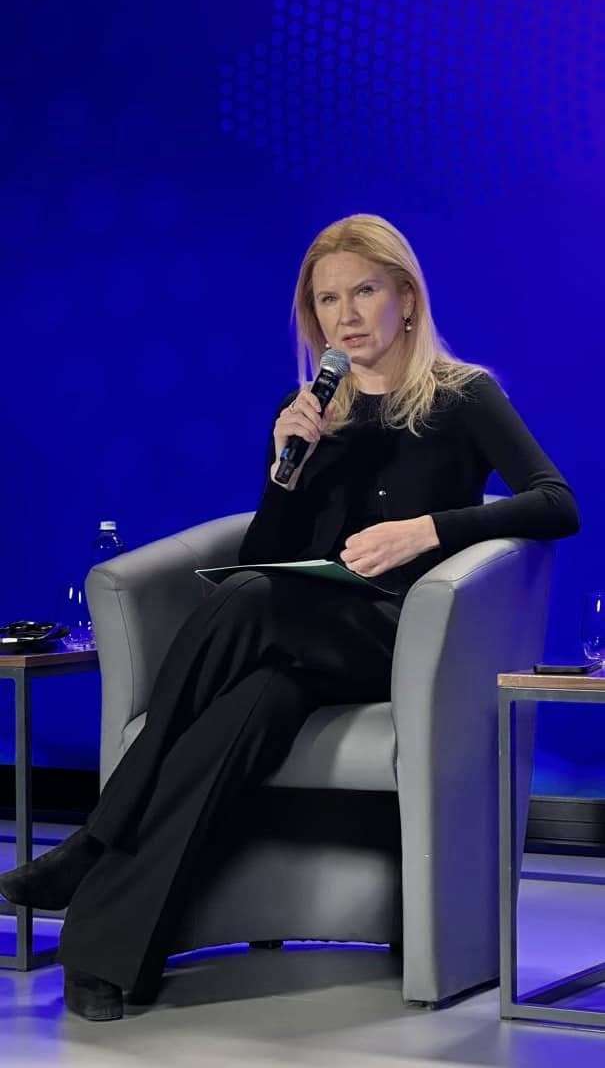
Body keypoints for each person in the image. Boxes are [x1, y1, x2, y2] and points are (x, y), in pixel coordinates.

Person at [0, 214, 580, 1021]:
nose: (345, 315)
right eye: (326, 300)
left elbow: (556, 503)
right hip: (302, 639)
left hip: (400, 639)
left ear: (406, 298)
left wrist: (428, 529)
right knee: (235, 717)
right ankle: (102, 954)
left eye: (363, 291)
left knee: (245, 602)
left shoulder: (461, 396)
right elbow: (265, 555)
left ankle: (96, 835)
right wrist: (284, 471)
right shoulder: (310, 410)